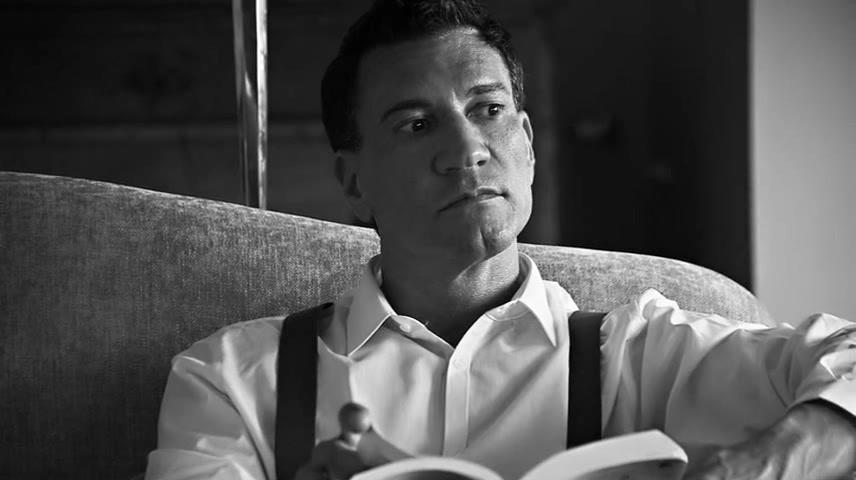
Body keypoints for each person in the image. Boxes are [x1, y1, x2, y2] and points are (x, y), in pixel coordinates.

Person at [144, 1, 856, 479]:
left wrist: (756, 468)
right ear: (353, 181)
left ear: (528, 144)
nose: (467, 149)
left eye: (487, 109)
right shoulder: (232, 379)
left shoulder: (641, 355)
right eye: (416, 124)